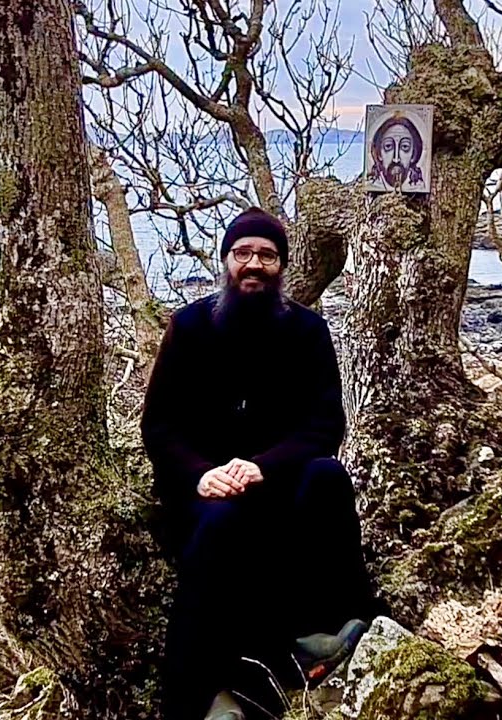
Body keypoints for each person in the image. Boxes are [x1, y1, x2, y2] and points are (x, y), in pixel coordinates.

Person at [141, 208, 374, 720]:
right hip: (200, 491)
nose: (254, 264)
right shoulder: (190, 326)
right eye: (242, 253)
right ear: (225, 262)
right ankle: (201, 693)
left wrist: (261, 466)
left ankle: (322, 631)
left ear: (282, 267)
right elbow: (158, 428)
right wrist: (202, 473)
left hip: (272, 481)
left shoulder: (308, 331)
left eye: (267, 255)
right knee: (224, 523)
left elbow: (324, 426)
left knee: (327, 478)